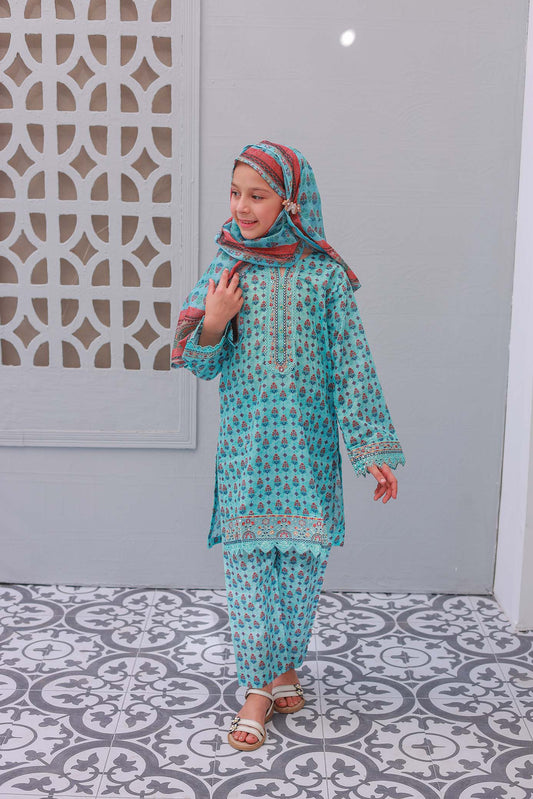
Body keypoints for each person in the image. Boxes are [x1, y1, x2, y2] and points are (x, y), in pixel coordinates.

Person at [171, 140, 406, 751]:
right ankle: (257, 688)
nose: (242, 207)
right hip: (249, 459)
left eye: (257, 195)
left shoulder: (326, 276)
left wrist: (371, 450)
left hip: (309, 460)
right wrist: (218, 319)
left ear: (290, 201)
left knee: (299, 578)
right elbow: (197, 360)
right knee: (249, 574)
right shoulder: (227, 268)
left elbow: (351, 368)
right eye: (235, 193)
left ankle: (283, 665)